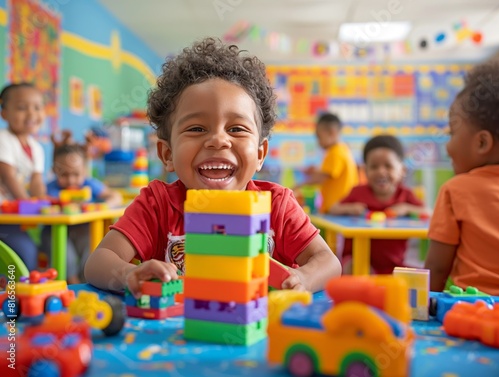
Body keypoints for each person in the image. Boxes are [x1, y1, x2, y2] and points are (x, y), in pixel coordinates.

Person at [85, 37, 341, 295]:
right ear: (167, 153)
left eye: (236, 129)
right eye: (196, 128)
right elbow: (99, 261)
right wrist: (128, 274)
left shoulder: (278, 206)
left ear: (260, 153)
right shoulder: (156, 205)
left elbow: (328, 261)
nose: (218, 140)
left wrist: (303, 278)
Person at [425, 61, 499, 295]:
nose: (447, 146)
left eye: (452, 133)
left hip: (469, 312)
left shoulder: (456, 190)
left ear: (482, 143)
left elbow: (437, 268)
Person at [330, 135, 428, 274]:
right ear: (365, 171)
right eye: (374, 166)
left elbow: (428, 213)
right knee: (354, 269)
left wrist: (406, 208)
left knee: (422, 277)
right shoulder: (358, 193)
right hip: (357, 260)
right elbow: (333, 208)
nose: (381, 171)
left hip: (393, 264)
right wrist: (350, 208)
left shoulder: (405, 195)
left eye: (388, 166)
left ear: (402, 170)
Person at [41, 141, 122, 284]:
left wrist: (103, 205)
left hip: (84, 229)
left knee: (92, 248)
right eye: (64, 174)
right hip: (55, 231)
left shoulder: (88, 184)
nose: (71, 180)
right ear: (54, 170)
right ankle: (72, 282)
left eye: (76, 174)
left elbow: (116, 196)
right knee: (66, 255)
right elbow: (40, 203)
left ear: (84, 171)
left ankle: (87, 280)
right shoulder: (50, 188)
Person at [0, 83, 46, 270]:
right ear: (4, 113)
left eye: (37, 107)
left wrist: (42, 202)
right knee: (24, 253)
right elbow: (8, 175)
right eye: (21, 107)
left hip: (17, 214)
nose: (31, 114)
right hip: (4, 215)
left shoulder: (36, 148)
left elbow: (36, 180)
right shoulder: (3, 138)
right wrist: (28, 203)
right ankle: (13, 296)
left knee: (37, 250)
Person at [294, 113, 358, 213]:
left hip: (336, 208)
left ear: (331, 133)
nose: (318, 142)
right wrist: (314, 171)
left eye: (319, 137)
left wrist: (297, 186)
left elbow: (320, 179)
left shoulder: (335, 152)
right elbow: (330, 174)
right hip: (340, 207)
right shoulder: (343, 149)